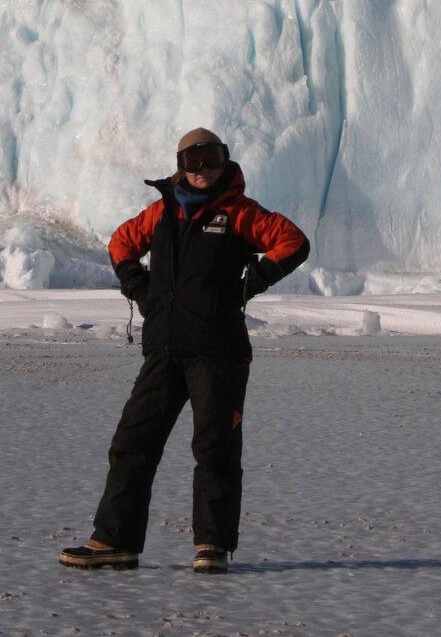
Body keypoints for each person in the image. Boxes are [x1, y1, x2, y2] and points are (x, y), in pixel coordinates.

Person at [60, 127, 310, 574]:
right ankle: (113, 542)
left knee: (214, 449)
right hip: (164, 351)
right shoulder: (162, 213)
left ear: (225, 162)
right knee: (132, 443)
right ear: (180, 165)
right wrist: (140, 288)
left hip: (219, 352)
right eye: (195, 160)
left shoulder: (238, 212)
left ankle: (211, 547)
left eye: (213, 158)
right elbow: (120, 243)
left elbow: (292, 241)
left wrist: (254, 281)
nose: (204, 168)